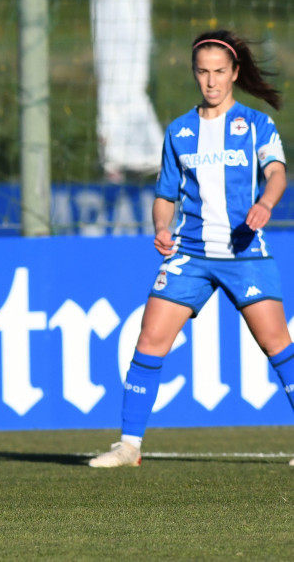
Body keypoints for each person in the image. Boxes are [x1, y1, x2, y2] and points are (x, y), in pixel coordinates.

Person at [89, 29, 293, 467]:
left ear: (235, 73)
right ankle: (129, 446)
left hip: (244, 253)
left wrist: (265, 203)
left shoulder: (256, 125)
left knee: (277, 343)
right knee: (150, 339)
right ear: (194, 74)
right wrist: (161, 226)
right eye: (203, 72)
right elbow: (165, 195)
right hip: (191, 255)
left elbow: (277, 172)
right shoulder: (180, 132)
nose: (212, 81)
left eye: (220, 72)